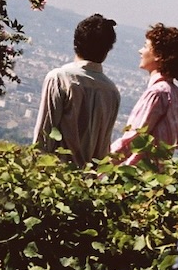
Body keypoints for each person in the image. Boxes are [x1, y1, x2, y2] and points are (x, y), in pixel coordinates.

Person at [32, 13, 121, 166]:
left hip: (56, 177)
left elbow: (44, 135)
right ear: (107, 51)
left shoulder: (60, 79)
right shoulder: (112, 92)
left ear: (75, 43)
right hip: (90, 182)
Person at [112, 24, 178, 163]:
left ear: (158, 55)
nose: (140, 51)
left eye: (145, 46)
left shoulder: (157, 93)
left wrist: (99, 163)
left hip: (142, 177)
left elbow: (133, 139)